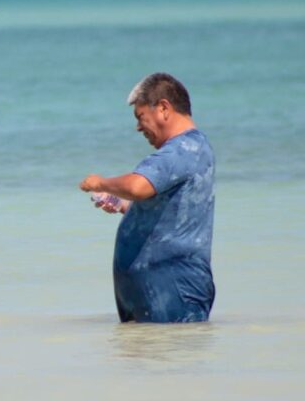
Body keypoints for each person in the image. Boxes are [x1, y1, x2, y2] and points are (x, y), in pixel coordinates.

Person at [79, 73, 216, 323]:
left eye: (141, 117)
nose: (138, 127)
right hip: (155, 291)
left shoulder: (183, 149)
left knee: (171, 360)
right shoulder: (188, 150)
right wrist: (123, 206)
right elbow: (170, 209)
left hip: (172, 287)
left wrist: (101, 183)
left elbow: (137, 186)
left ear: (164, 108)